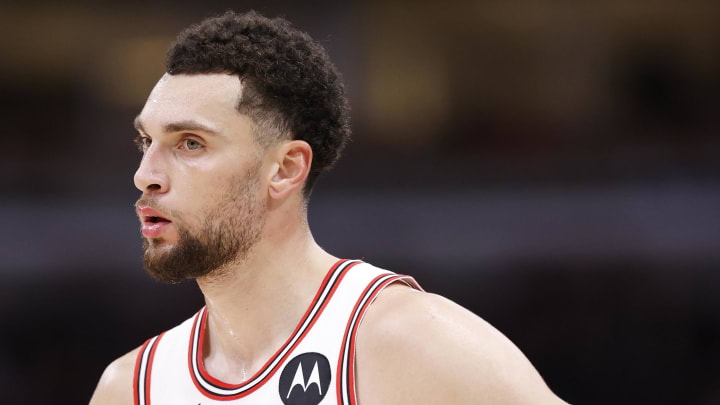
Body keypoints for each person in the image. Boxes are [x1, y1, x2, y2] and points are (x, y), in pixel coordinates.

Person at [89, 10, 567, 405]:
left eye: (190, 143)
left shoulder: (408, 342)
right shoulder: (129, 387)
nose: (145, 173)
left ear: (284, 169)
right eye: (145, 140)